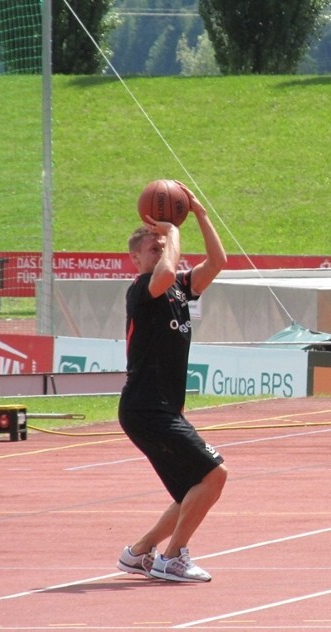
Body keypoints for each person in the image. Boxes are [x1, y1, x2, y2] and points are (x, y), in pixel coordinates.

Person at [115, 181, 228, 583]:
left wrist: (198, 213)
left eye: (162, 244)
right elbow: (164, 274)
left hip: (160, 409)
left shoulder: (179, 290)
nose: (161, 249)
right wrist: (172, 233)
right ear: (134, 259)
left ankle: (139, 552)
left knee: (191, 490)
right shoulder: (142, 291)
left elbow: (218, 262)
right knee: (215, 475)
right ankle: (173, 557)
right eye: (152, 246)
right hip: (147, 408)